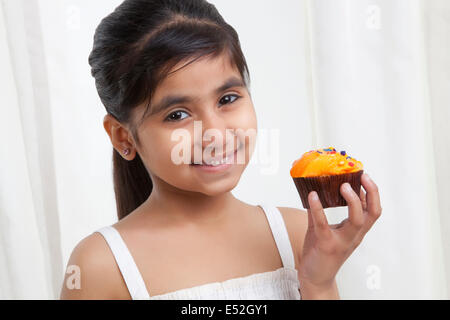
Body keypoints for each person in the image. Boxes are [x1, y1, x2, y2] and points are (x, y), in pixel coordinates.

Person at [60, 0, 382, 300]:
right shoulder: (97, 267)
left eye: (227, 99)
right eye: (177, 115)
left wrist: (319, 282)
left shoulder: (302, 235)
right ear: (123, 138)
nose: (214, 134)